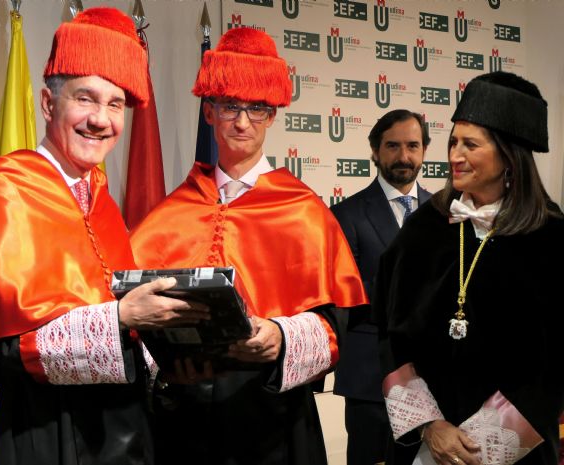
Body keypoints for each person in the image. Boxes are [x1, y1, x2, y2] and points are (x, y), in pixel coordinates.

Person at [0, 7, 208, 465]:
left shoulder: (102, 202)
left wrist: (166, 361)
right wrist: (120, 316)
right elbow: (0, 347)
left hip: (124, 433)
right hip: (45, 430)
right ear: (48, 104)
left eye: (115, 104)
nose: (101, 120)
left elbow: (125, 341)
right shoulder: (7, 187)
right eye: (85, 99)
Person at [129, 27, 368, 465]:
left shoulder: (304, 211)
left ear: (273, 115)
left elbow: (335, 327)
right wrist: (163, 366)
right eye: (230, 107)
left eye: (257, 109)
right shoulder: (169, 213)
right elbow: (133, 319)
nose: (242, 122)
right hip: (183, 426)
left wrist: (279, 337)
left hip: (273, 423)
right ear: (209, 112)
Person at [373, 71, 564, 465]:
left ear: (509, 156)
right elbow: (390, 335)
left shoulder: (551, 237)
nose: (454, 156)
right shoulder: (424, 228)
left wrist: (481, 447)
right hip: (426, 447)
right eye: (453, 142)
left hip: (512, 450)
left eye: (471, 145)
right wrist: (430, 427)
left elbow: (554, 365)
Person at [331, 109, 432, 465]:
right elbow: (350, 296)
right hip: (370, 376)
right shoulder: (346, 214)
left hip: (434, 376)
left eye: (412, 146)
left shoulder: (446, 213)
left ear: (424, 151)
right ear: (375, 151)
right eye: (392, 146)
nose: (403, 157)